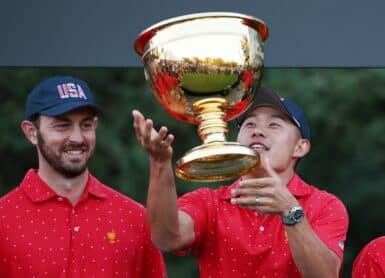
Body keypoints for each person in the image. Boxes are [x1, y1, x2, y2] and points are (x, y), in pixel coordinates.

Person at [132, 86, 349, 277]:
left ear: (300, 147)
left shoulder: (325, 205)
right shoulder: (209, 202)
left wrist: (290, 211)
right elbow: (166, 238)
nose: (258, 131)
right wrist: (160, 163)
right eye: (249, 124)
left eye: (274, 125)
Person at [0, 76, 166, 277]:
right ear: (31, 132)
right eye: (62, 126)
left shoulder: (137, 219)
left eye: (86, 125)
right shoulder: (4, 219)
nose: (77, 138)